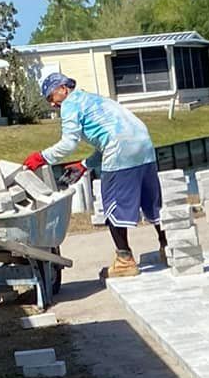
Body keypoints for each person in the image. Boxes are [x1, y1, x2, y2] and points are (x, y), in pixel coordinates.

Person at [24, 73, 167, 279]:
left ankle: (125, 260)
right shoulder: (94, 99)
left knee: (112, 204)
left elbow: (69, 143)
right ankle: (167, 246)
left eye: (51, 97)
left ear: (63, 89)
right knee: (153, 203)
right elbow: (112, 136)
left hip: (120, 154)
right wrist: (84, 165)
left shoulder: (69, 104)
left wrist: (41, 157)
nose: (52, 104)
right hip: (145, 147)